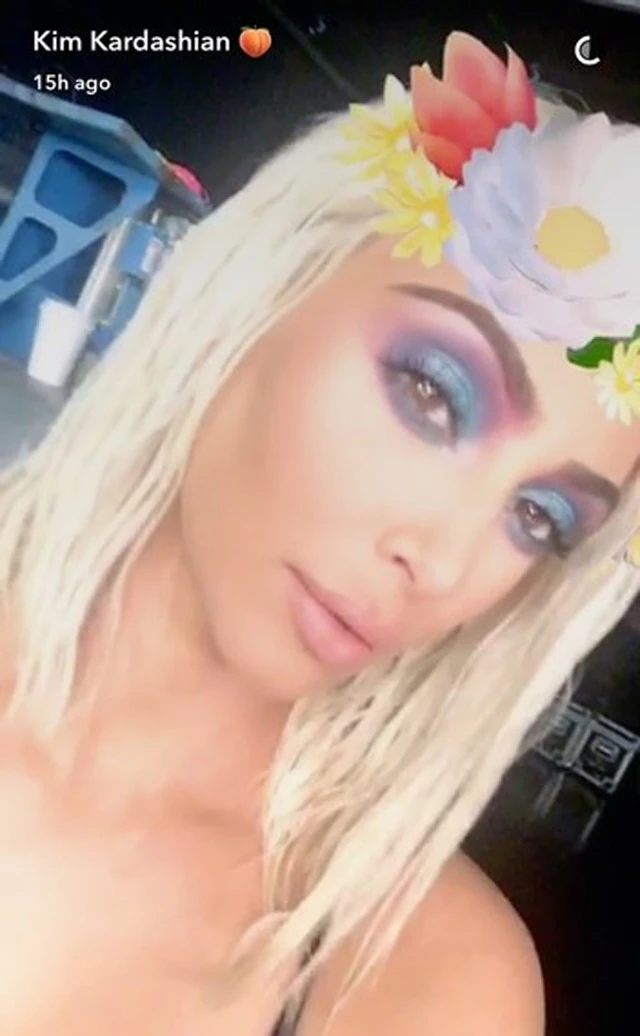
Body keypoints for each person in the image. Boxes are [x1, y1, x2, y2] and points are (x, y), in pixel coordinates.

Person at [0, 29, 638, 1035]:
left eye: (537, 518)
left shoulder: (425, 976)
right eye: (432, 393)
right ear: (263, 291)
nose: (441, 558)